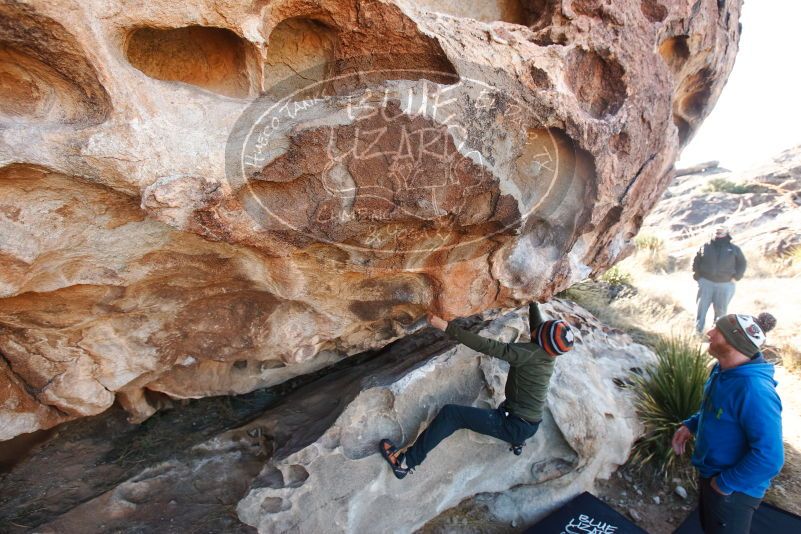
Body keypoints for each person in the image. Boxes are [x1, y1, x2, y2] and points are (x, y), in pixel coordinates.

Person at [379, 301, 574, 479]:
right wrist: (532, 302)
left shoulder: (527, 354)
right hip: (528, 420)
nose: (537, 329)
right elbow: (539, 330)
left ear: (538, 339)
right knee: (511, 413)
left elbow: (487, 346)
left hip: (514, 424)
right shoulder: (548, 354)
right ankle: (518, 441)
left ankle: (406, 463)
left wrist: (446, 326)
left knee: (452, 414)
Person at [672, 312, 783, 534]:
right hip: (713, 475)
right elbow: (715, 409)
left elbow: (770, 458)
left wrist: (723, 484)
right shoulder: (723, 369)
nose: (709, 333)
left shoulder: (754, 391)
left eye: (718, 331)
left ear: (735, 342)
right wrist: (691, 425)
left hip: (735, 490)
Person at [693, 227, 747, 333]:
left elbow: (742, 263)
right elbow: (696, 261)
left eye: (721, 231)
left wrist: (736, 277)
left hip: (725, 284)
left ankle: (715, 334)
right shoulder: (705, 246)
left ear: (726, 233)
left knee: (721, 312)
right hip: (706, 283)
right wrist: (697, 276)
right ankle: (697, 332)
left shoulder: (734, 249)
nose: (718, 232)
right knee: (701, 308)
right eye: (717, 231)